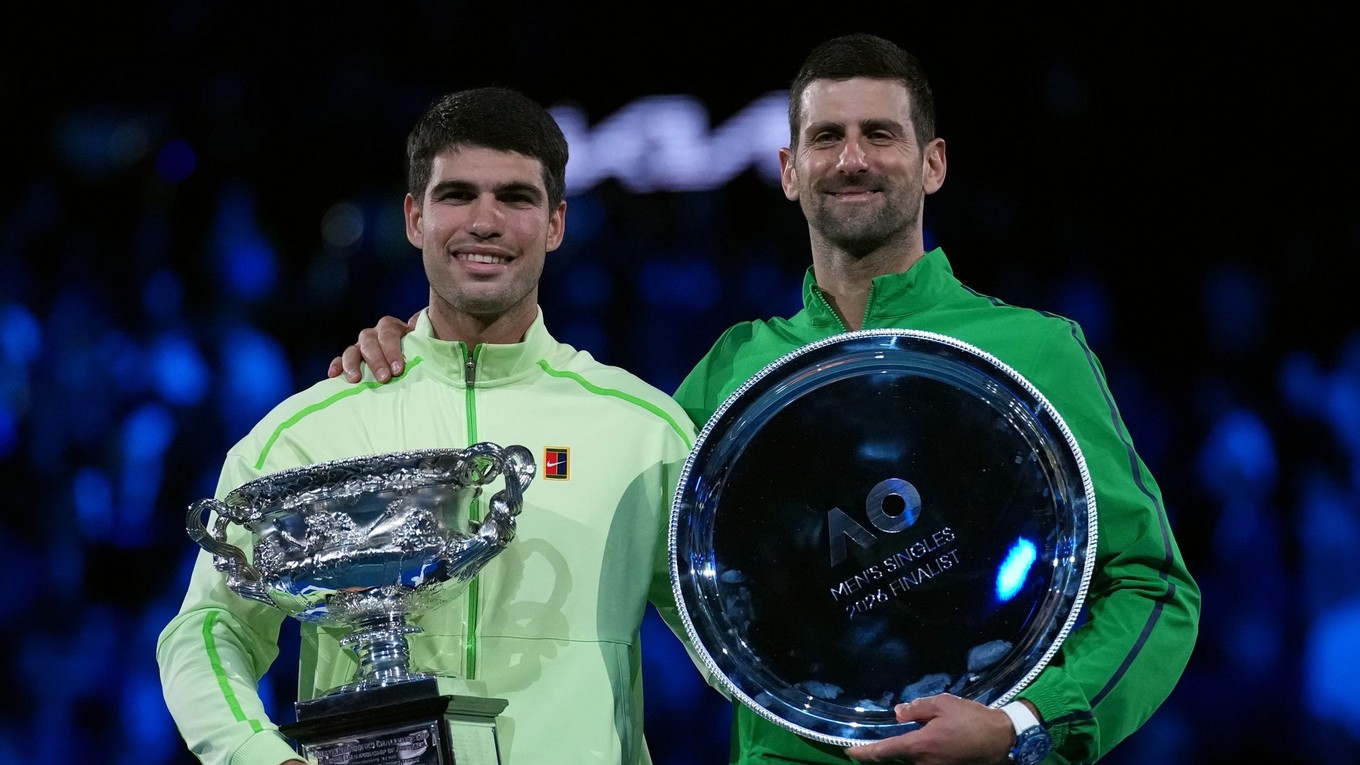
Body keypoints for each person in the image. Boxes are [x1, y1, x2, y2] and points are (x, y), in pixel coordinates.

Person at [328, 33, 1201, 765]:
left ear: (932, 163)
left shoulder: (1034, 350)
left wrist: (1022, 723)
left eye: (879, 135)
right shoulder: (733, 373)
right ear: (788, 168)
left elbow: (1155, 588)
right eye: (826, 138)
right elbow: (575, 478)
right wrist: (433, 356)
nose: (851, 159)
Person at [157, 85, 701, 765]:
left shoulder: (644, 429)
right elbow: (207, 631)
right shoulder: (302, 433)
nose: (485, 221)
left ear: (556, 223)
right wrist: (261, 757)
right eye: (457, 196)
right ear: (415, 217)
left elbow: (736, 639)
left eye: (516, 198)